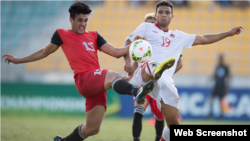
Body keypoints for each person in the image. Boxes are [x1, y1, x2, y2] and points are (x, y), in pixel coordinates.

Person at [1, 2, 176, 141]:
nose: (83, 24)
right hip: (84, 79)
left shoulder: (93, 35)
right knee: (113, 75)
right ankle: (137, 92)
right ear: (71, 20)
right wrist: (18, 60)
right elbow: (43, 52)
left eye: (85, 20)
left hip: (96, 83)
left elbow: (116, 52)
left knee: (92, 129)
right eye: (79, 20)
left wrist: (135, 44)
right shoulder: (61, 34)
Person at [123, 1, 243, 141]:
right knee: (152, 64)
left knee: (174, 125)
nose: (163, 15)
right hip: (145, 74)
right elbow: (127, 42)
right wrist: (127, 61)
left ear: (172, 16)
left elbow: (204, 39)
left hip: (165, 81)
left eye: (167, 12)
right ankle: (155, 72)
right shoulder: (145, 27)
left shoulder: (179, 36)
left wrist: (229, 33)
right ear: (155, 15)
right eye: (160, 12)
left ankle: (158, 74)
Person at [130, 13, 183, 141]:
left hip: (158, 85)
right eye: (147, 23)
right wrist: (131, 75)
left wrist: (164, 76)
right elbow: (135, 64)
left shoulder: (167, 42)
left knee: (159, 117)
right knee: (138, 111)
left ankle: (158, 139)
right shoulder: (141, 43)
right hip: (144, 84)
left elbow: (180, 63)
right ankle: (136, 139)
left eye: (152, 23)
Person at [207, 54, 231, 119]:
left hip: (222, 86)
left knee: (221, 101)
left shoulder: (225, 67)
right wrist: (210, 78)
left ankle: (221, 115)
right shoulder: (217, 66)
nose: (220, 60)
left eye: (220, 58)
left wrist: (227, 87)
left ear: (222, 59)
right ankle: (210, 114)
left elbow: (228, 77)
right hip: (216, 86)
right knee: (211, 100)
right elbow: (215, 75)